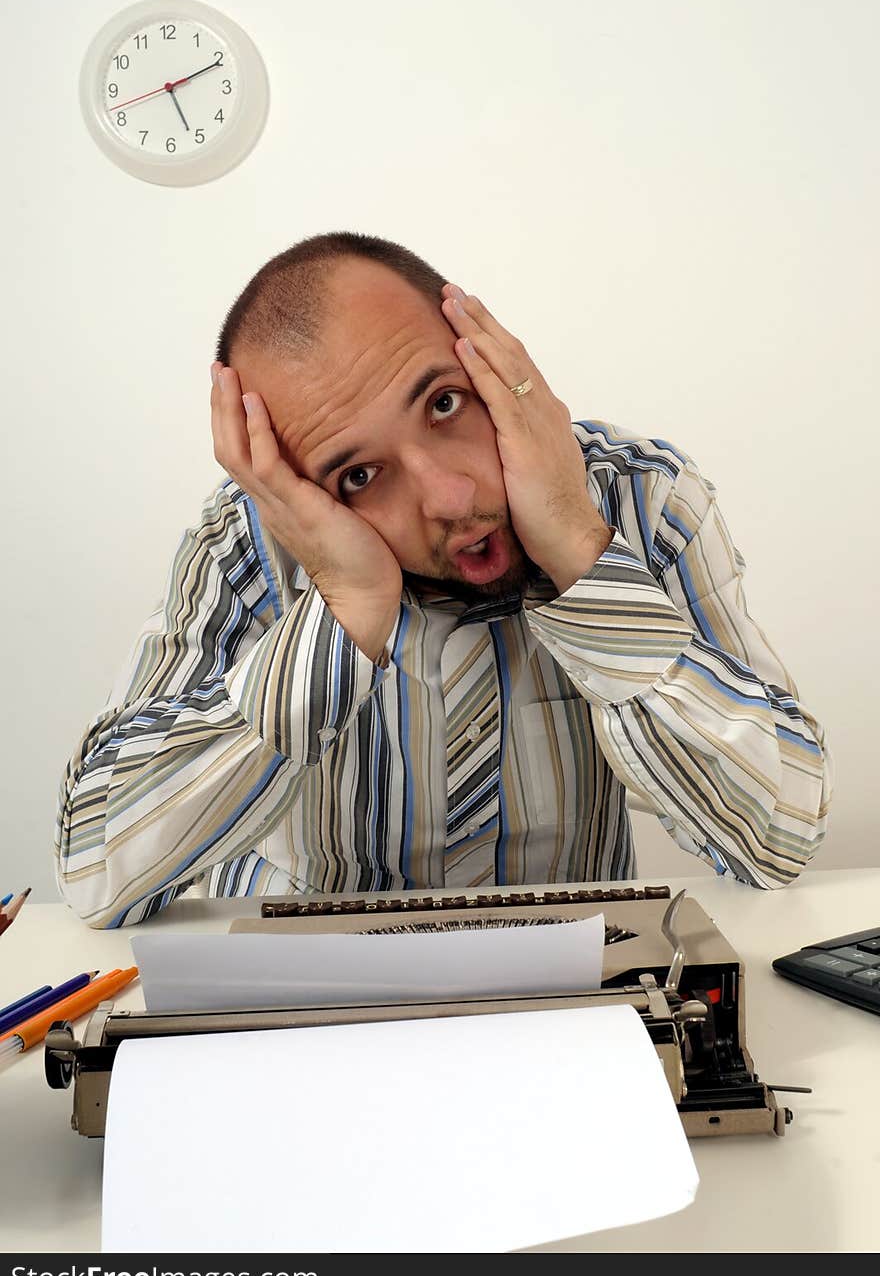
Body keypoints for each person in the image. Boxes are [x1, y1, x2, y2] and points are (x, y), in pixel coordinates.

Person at [56, 232, 832, 928]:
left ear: (492, 355)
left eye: (444, 402)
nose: (451, 498)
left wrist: (580, 550)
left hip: (566, 1015)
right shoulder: (248, 545)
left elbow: (779, 837)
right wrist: (346, 608)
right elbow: (95, 871)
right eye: (359, 474)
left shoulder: (641, 500)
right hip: (304, 1020)